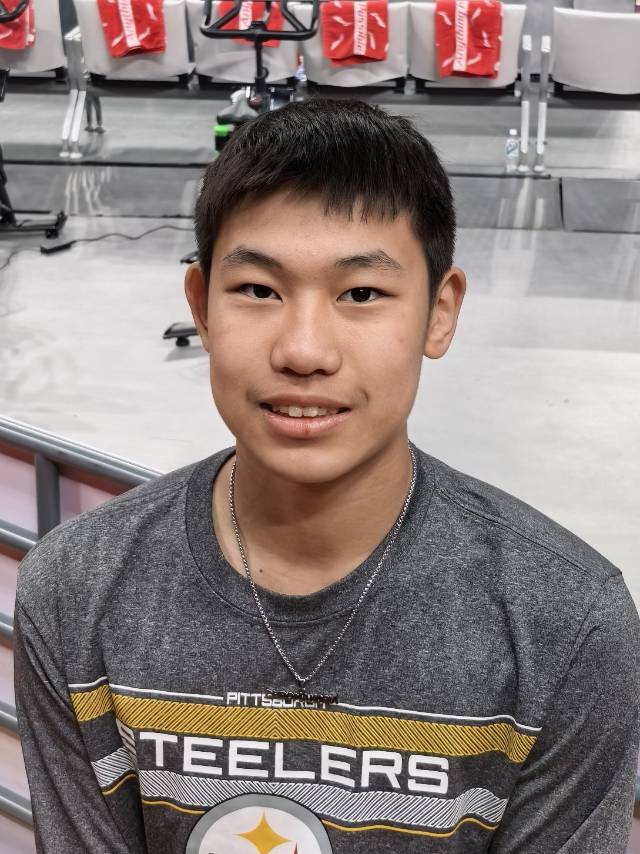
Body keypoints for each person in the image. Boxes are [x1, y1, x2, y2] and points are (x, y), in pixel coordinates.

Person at [14, 98, 640, 854]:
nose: (304, 351)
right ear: (201, 307)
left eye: (362, 294)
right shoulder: (77, 589)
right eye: (259, 290)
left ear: (440, 313)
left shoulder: (567, 623)